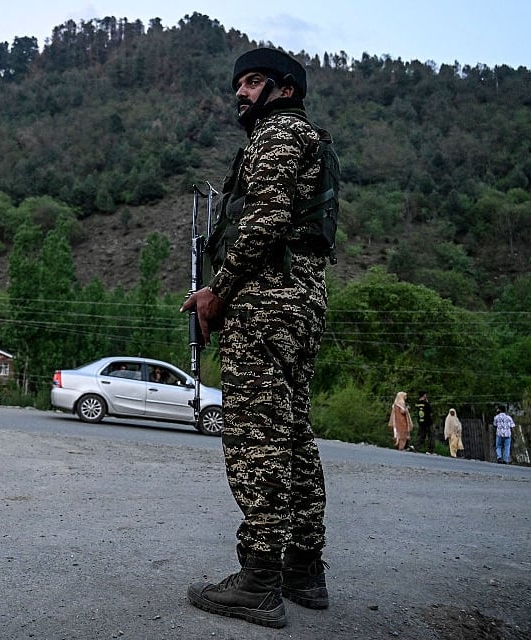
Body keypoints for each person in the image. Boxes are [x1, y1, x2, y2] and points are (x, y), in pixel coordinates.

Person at [181, 47, 332, 629]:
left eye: (252, 82)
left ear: (284, 88)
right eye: (238, 84)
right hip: (299, 300)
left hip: (267, 302)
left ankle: (260, 580)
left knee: (256, 436)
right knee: (291, 433)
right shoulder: (302, 139)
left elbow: (265, 217)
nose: (241, 93)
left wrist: (217, 290)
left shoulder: (279, 133)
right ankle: (304, 569)